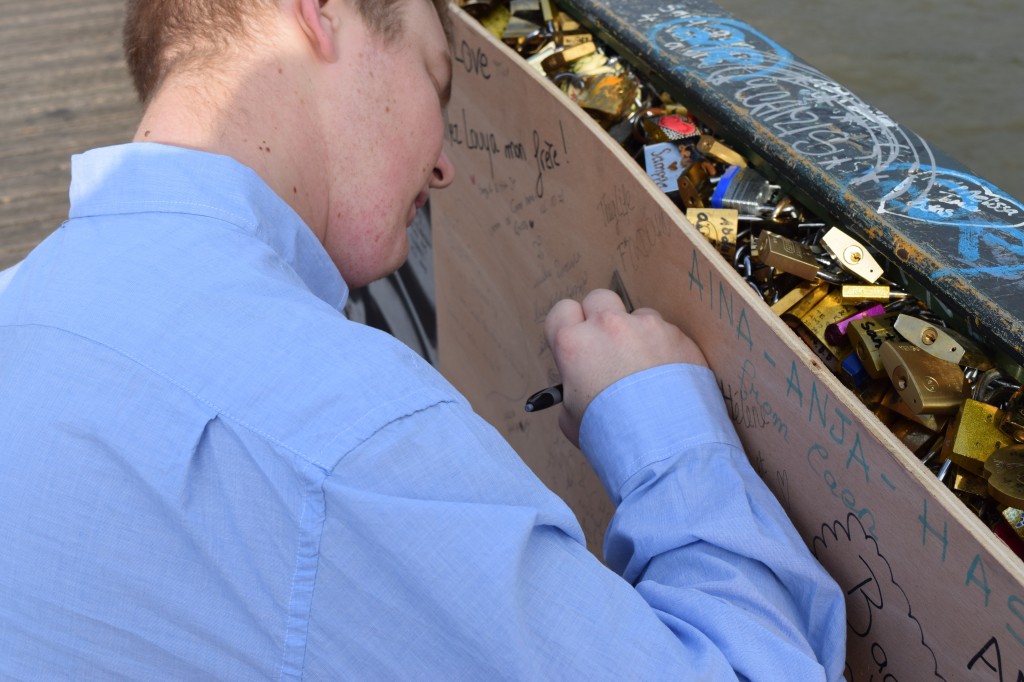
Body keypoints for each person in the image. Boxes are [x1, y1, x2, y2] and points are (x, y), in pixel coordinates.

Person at [0, 0, 846, 678]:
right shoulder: (341, 438)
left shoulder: (22, 305)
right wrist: (665, 429)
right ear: (318, 15)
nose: (444, 165)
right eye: (435, 80)